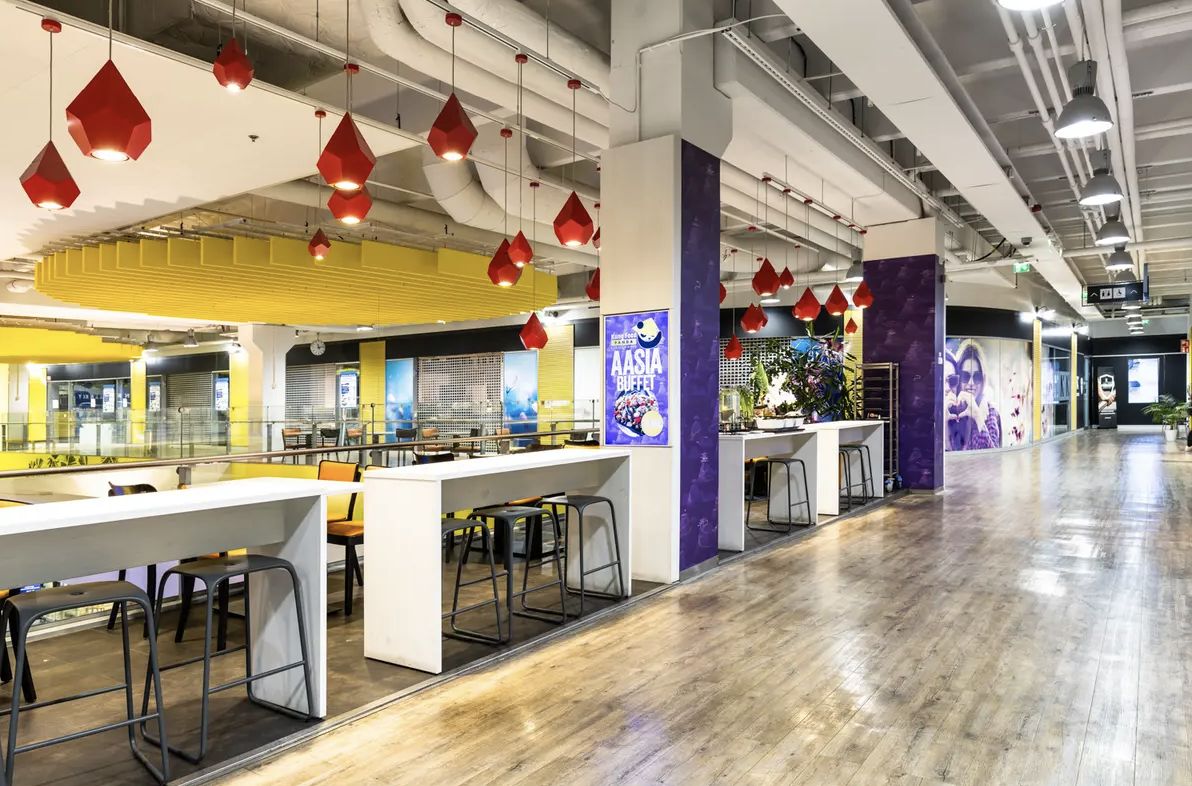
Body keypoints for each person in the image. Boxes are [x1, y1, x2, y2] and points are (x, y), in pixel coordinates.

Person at [945, 339, 1002, 450]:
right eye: (965, 376)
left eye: (977, 377)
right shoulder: (950, 410)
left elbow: (993, 456)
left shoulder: (990, 413)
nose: (971, 383)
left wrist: (978, 417)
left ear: (983, 379)